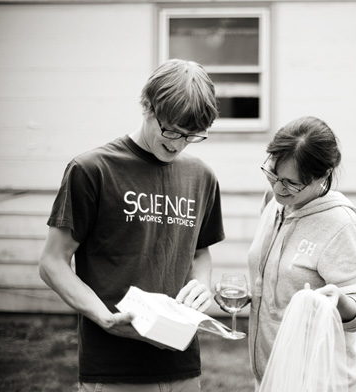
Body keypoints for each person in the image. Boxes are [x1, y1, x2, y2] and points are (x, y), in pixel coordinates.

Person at [38, 59, 224, 391]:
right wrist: (102, 316)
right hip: (114, 367)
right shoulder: (92, 169)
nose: (177, 144)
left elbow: (200, 253)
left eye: (191, 136)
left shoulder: (202, 176)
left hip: (183, 364)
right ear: (146, 106)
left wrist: (202, 284)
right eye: (170, 130)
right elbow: (52, 263)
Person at [246, 116, 356, 392]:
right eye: (273, 174)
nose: (278, 188)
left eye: (292, 183)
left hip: (321, 381)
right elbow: (276, 278)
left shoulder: (342, 224)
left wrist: (340, 301)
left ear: (322, 176)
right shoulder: (274, 203)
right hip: (271, 375)